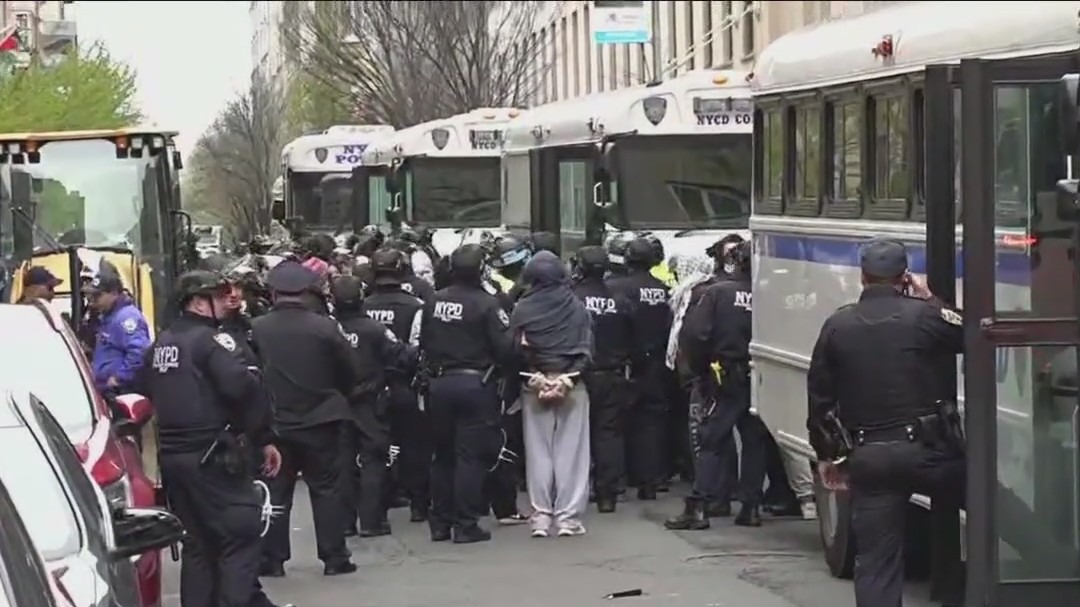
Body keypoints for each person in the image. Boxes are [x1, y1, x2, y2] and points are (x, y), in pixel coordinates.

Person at [804, 239, 962, 607]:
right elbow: (970, 332)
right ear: (904, 277)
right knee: (998, 505)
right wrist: (930, 299)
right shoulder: (924, 316)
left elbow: (820, 400)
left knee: (877, 563)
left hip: (870, 458)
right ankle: (1052, 559)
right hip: (931, 454)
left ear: (862, 277)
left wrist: (827, 456)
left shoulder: (837, 325)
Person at [139, 270, 289, 607]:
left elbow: (143, 389)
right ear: (197, 301)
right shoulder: (212, 341)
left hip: (175, 459)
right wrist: (264, 435)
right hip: (214, 455)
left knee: (198, 544)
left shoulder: (161, 344)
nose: (226, 301)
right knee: (238, 537)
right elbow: (245, 389)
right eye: (218, 295)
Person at [251, 260, 360, 577]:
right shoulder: (326, 327)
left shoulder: (257, 329)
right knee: (327, 489)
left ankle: (272, 559)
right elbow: (349, 371)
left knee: (277, 490)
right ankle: (334, 557)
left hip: (276, 422)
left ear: (273, 293)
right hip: (321, 420)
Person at [667, 240, 766, 529]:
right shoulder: (769, 295)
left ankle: (700, 505)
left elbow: (695, 335)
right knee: (754, 442)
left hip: (722, 375)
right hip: (759, 374)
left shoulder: (718, 293)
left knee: (711, 441)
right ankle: (751, 507)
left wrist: (699, 372)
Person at [420, 243, 515, 543]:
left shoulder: (434, 301)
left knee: (442, 456)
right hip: (476, 385)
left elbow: (424, 341)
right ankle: (465, 524)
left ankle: (439, 522)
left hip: (439, 384)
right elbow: (505, 349)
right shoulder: (487, 304)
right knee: (470, 457)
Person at [513, 251, 593, 536]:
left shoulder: (522, 308)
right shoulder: (576, 307)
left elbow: (515, 349)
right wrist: (566, 380)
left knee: (538, 453)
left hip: (533, 386)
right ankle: (568, 518)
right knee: (571, 452)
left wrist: (538, 378)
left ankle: (541, 516)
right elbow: (586, 349)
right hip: (573, 386)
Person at [333, 274, 419, 537]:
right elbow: (403, 355)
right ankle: (371, 521)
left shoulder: (327, 328)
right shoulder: (374, 329)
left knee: (341, 463)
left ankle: (344, 523)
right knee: (373, 460)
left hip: (336, 403)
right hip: (370, 401)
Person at [361, 249, 429, 523]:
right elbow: (420, 347)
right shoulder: (416, 305)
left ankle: (377, 504)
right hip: (406, 384)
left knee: (374, 449)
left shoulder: (363, 306)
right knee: (415, 447)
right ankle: (418, 504)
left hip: (370, 387)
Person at [570, 246, 634, 514]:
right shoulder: (621, 299)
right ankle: (608, 494)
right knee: (609, 434)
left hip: (579, 375)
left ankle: (574, 491)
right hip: (613, 373)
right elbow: (634, 336)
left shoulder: (572, 299)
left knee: (575, 435)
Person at [611, 237, 673, 500]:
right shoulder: (662, 289)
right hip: (657, 364)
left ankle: (621, 480)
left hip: (627, 365)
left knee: (617, 424)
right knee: (652, 425)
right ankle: (650, 481)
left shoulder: (616, 288)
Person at [87, 269, 152, 395]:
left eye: (98, 296)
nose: (93, 301)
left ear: (114, 293)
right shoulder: (109, 317)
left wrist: (119, 378)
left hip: (121, 391)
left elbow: (139, 352)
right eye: (92, 296)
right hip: (106, 389)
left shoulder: (126, 318)